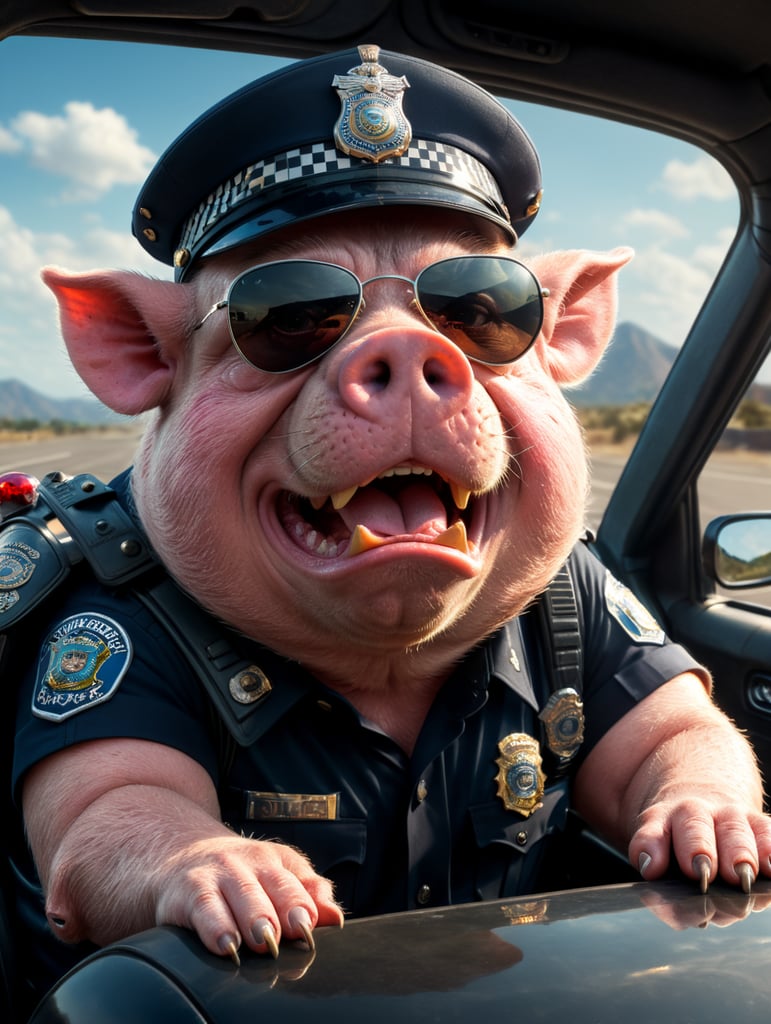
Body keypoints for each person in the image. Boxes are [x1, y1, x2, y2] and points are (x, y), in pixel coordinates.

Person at [7, 43, 771, 1005]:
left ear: (564, 329)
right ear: (133, 349)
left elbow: (673, 736)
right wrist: (185, 859)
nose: (407, 359)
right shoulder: (123, 606)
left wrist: (698, 798)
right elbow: (106, 819)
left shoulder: (557, 593)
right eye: (287, 317)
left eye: (481, 311)